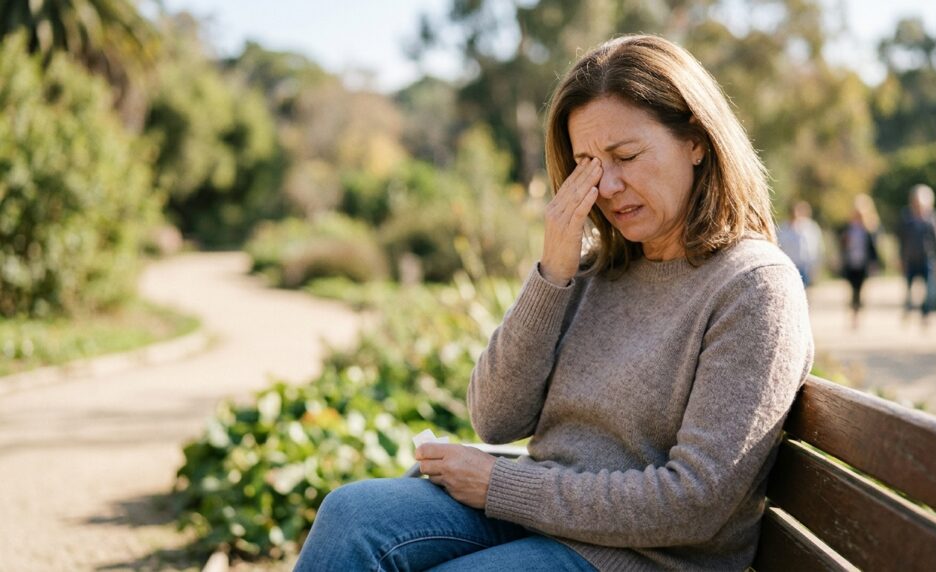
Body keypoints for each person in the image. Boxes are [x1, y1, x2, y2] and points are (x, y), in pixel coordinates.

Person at [294, 35, 814, 571]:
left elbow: (694, 503)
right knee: (351, 514)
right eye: (586, 163)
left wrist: (500, 485)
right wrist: (553, 273)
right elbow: (495, 419)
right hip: (546, 516)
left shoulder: (754, 288)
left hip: (652, 556)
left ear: (697, 141)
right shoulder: (594, 271)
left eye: (626, 156)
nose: (606, 186)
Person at [897, 184, 936, 325]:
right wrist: (901, 258)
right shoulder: (906, 217)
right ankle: (908, 309)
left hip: (929, 258)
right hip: (911, 258)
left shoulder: (935, 218)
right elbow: (901, 240)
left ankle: (926, 313)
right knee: (908, 288)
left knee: (931, 289)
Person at [838, 194, 881, 329]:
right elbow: (842, 245)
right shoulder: (848, 228)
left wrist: (875, 264)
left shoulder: (870, 229)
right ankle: (853, 314)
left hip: (863, 264)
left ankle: (857, 314)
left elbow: (874, 248)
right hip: (851, 263)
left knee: (860, 290)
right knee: (852, 289)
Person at [777, 200, 823, 287]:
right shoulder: (783, 229)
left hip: (805, 267)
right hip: (789, 265)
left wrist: (816, 267)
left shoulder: (811, 228)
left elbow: (817, 248)